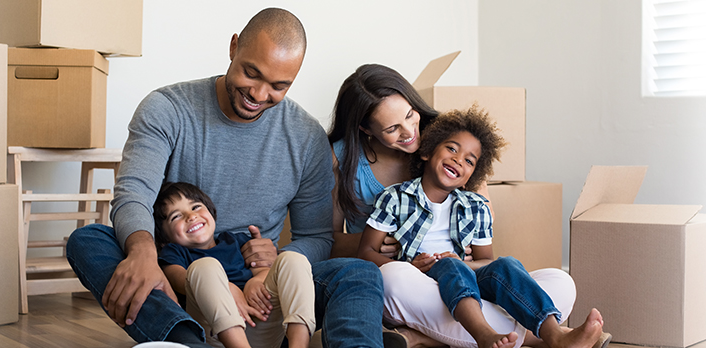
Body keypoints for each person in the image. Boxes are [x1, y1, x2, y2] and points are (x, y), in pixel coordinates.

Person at [65, 8, 393, 348]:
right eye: (252, 73)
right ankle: (187, 338)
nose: (260, 94)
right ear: (234, 47)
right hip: (182, 282)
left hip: (262, 294)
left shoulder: (307, 137)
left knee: (359, 273)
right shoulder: (167, 108)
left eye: (279, 86)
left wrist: (272, 263)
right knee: (89, 241)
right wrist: (144, 253)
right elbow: (134, 192)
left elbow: (316, 236)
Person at [326, 64, 584, 348]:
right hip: (409, 279)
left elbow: (485, 248)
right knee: (394, 278)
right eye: (392, 128)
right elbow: (334, 243)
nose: (411, 131)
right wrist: (392, 246)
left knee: (560, 282)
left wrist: (469, 259)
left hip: (464, 278)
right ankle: (532, 337)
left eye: (410, 115)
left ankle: (423, 337)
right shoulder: (354, 167)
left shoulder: (448, 138)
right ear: (366, 129)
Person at [356, 107, 611, 348]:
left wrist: (462, 263)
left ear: (472, 176)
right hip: (421, 285)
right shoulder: (396, 198)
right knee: (394, 277)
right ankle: (486, 334)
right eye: (452, 149)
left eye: (469, 161)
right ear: (427, 152)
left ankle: (554, 334)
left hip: (469, 284)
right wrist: (410, 266)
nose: (458, 161)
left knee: (547, 277)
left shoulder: (476, 206)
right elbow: (366, 252)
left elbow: (485, 262)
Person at [154, 182, 314, 348]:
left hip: (261, 320)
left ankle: (299, 345)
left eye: (195, 207)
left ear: (211, 211)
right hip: (217, 331)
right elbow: (179, 280)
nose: (191, 216)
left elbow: (263, 268)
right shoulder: (173, 253)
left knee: (293, 259)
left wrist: (257, 279)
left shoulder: (234, 240)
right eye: (176, 216)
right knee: (204, 266)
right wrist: (226, 287)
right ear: (164, 237)